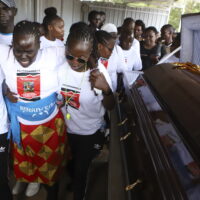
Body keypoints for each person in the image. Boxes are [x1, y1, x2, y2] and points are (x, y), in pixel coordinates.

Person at [0, 20, 67, 199]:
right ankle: (28, 179)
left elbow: (83, 54)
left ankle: (44, 186)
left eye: (29, 51)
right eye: (18, 50)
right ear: (11, 45)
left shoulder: (56, 53)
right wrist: (5, 90)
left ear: (40, 44)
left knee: (49, 164)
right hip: (21, 124)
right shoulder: (3, 54)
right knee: (25, 159)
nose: (23, 57)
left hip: (48, 124)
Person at [59, 25, 115, 200]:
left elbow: (111, 106)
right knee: (71, 165)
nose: (74, 62)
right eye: (70, 56)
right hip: (67, 130)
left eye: (81, 58)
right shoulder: (61, 68)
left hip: (90, 133)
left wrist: (105, 89)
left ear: (91, 52)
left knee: (81, 172)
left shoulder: (98, 74)